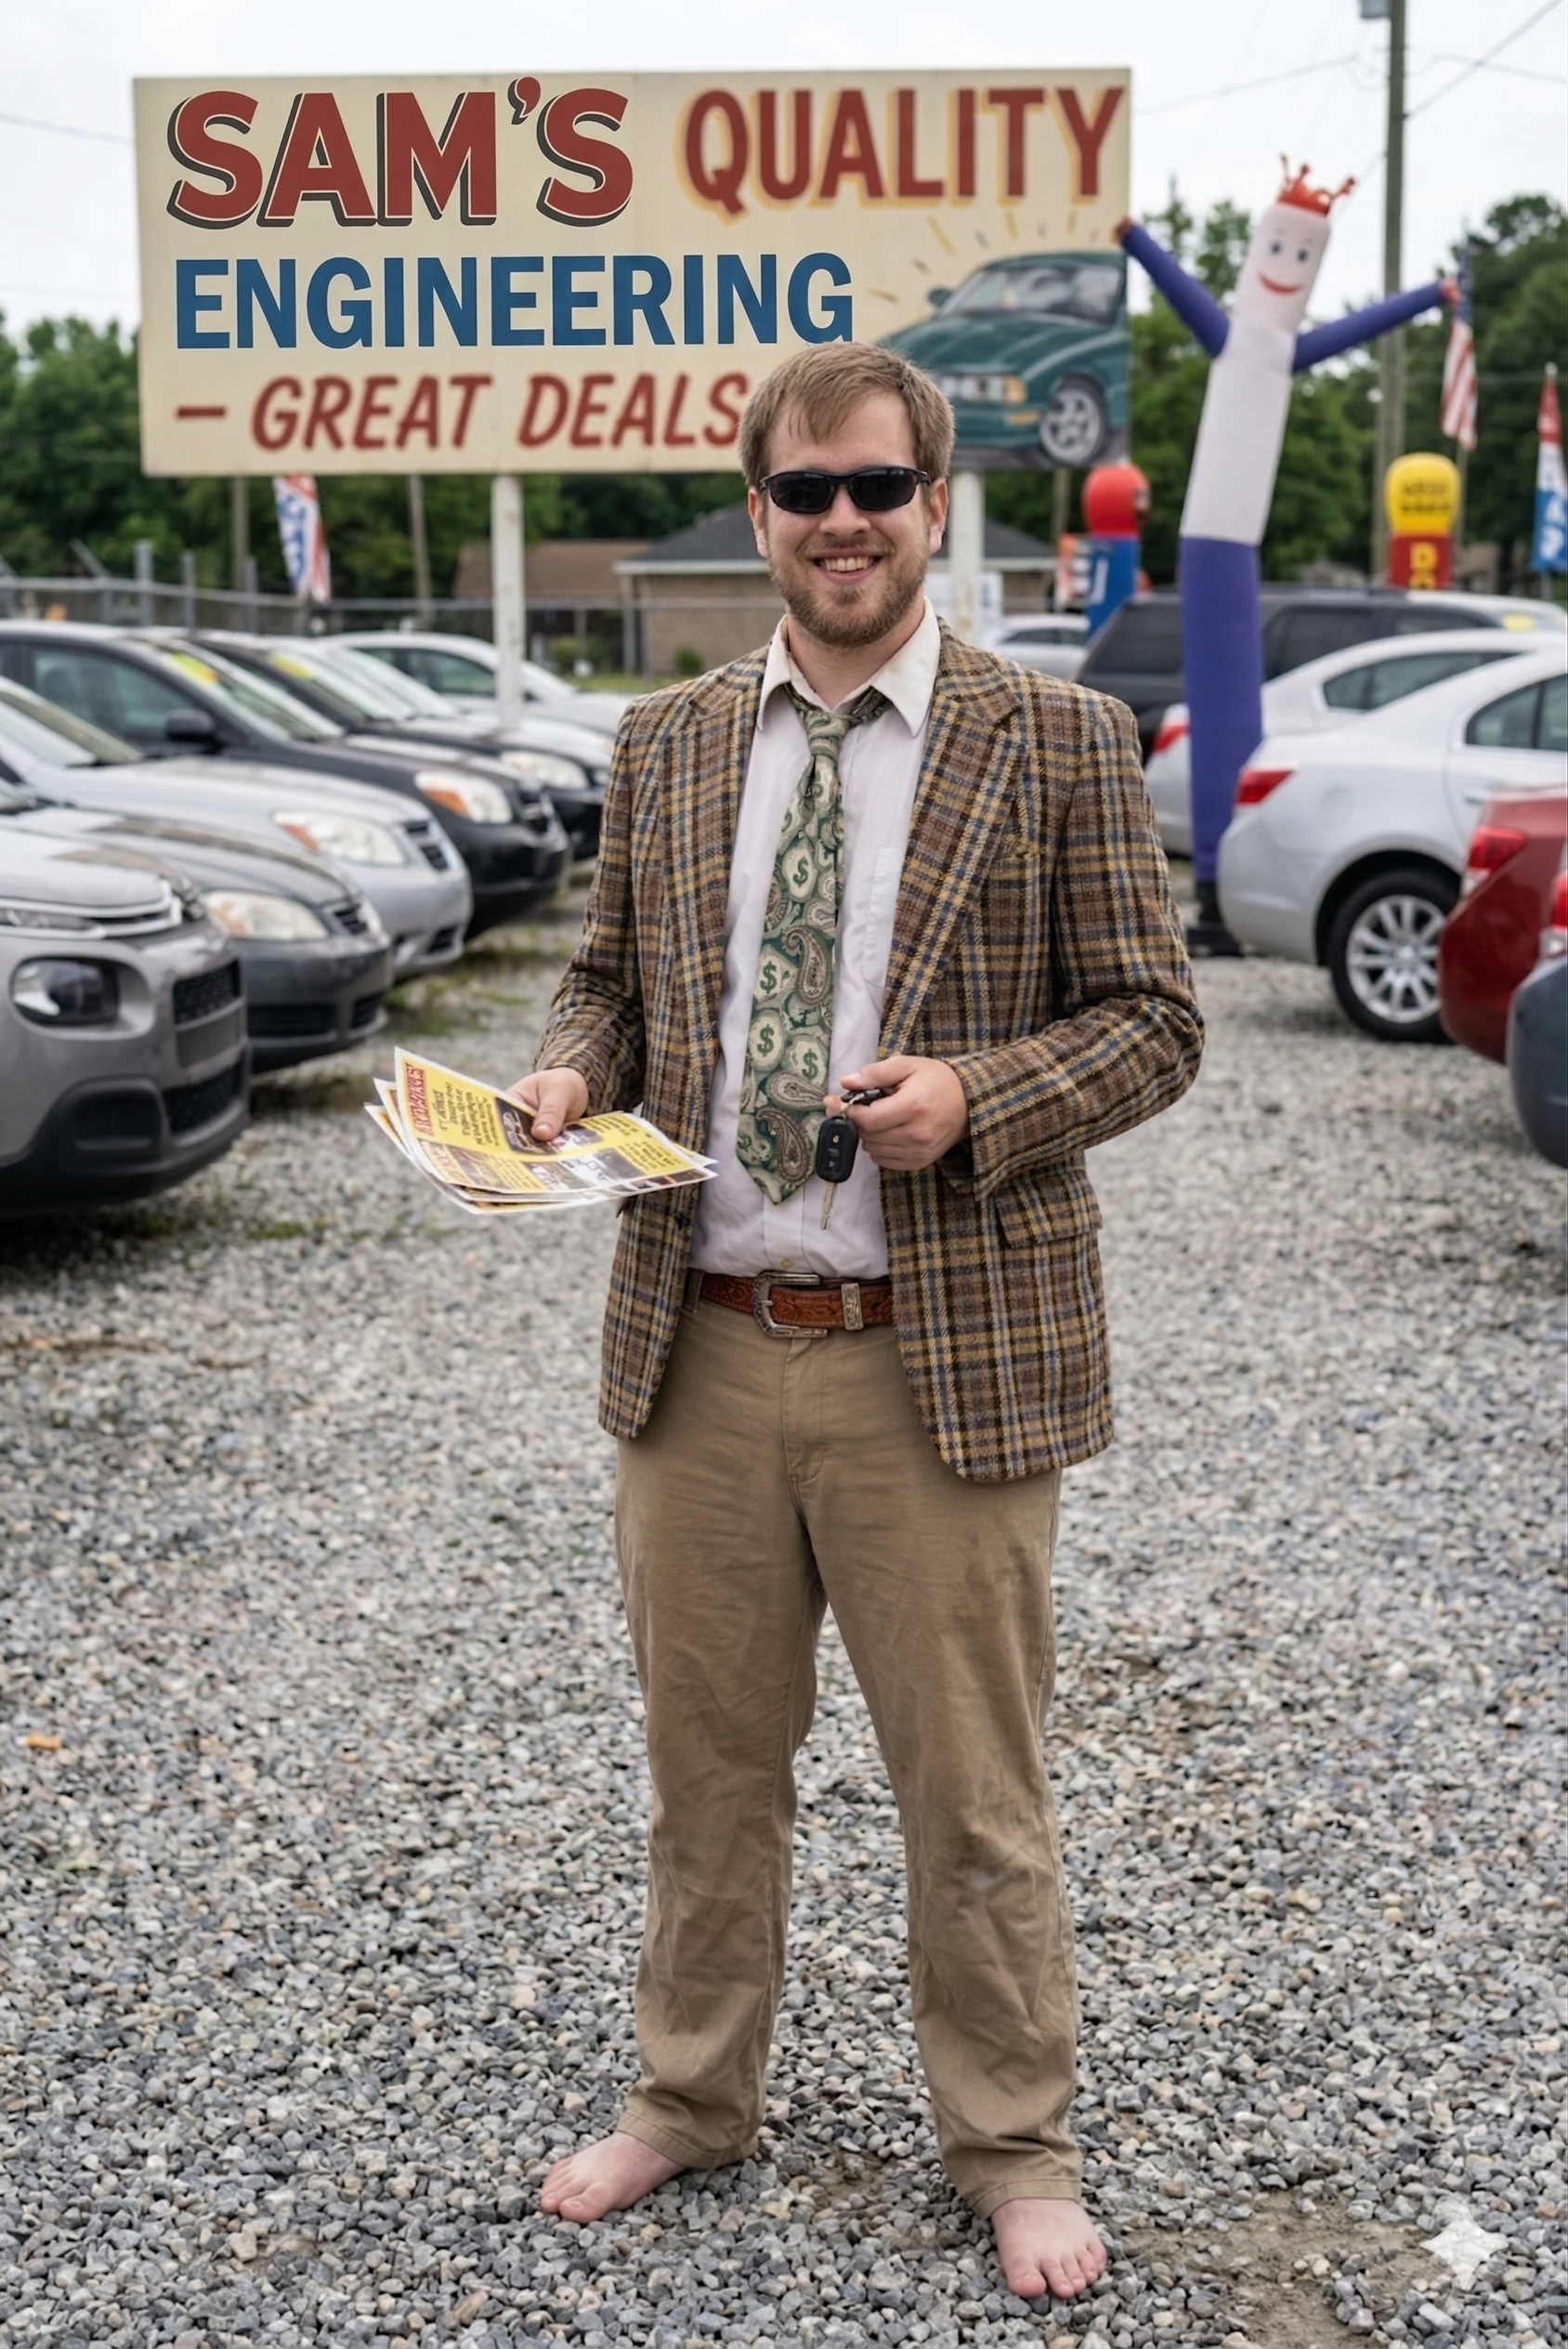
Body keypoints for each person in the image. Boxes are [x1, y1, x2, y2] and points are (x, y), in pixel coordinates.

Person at [510, 342, 1202, 2303]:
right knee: (705, 1769)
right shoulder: (660, 744)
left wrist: (979, 1098)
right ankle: (685, 2097)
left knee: (973, 1789)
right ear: (755, 511)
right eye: (804, 491)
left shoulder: (1056, 738)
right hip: (703, 1340)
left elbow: (1156, 1022)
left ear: (933, 502)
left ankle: (1013, 2142)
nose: (841, 523)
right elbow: (601, 983)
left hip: (940, 1356)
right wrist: (565, 1079)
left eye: (877, 489)